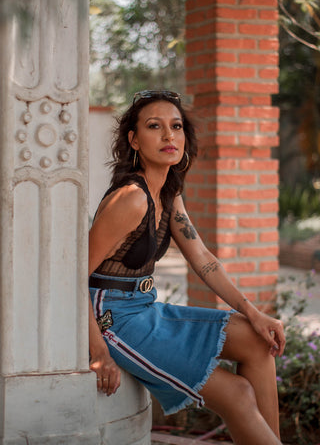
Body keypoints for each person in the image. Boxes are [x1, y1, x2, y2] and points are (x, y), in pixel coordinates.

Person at [88, 90, 285, 445]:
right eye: (154, 126)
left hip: (145, 309)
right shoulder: (131, 198)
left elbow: (202, 258)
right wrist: (99, 353)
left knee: (258, 340)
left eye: (176, 126)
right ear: (133, 139)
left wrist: (254, 313)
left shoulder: (167, 191)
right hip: (114, 319)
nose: (169, 136)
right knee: (238, 395)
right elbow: (75, 273)